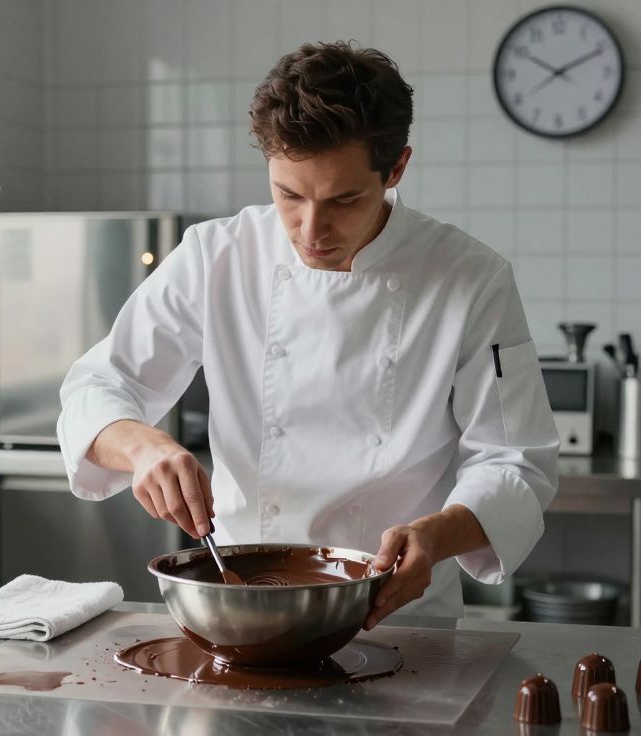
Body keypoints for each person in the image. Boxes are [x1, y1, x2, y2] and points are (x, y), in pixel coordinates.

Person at [58, 41, 558, 627]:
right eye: (288, 196)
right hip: (240, 601)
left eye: (344, 200)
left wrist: (438, 533)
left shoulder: (470, 279)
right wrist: (145, 447)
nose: (310, 230)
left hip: (397, 617)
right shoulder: (218, 255)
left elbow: (514, 460)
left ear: (396, 169)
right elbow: (100, 383)